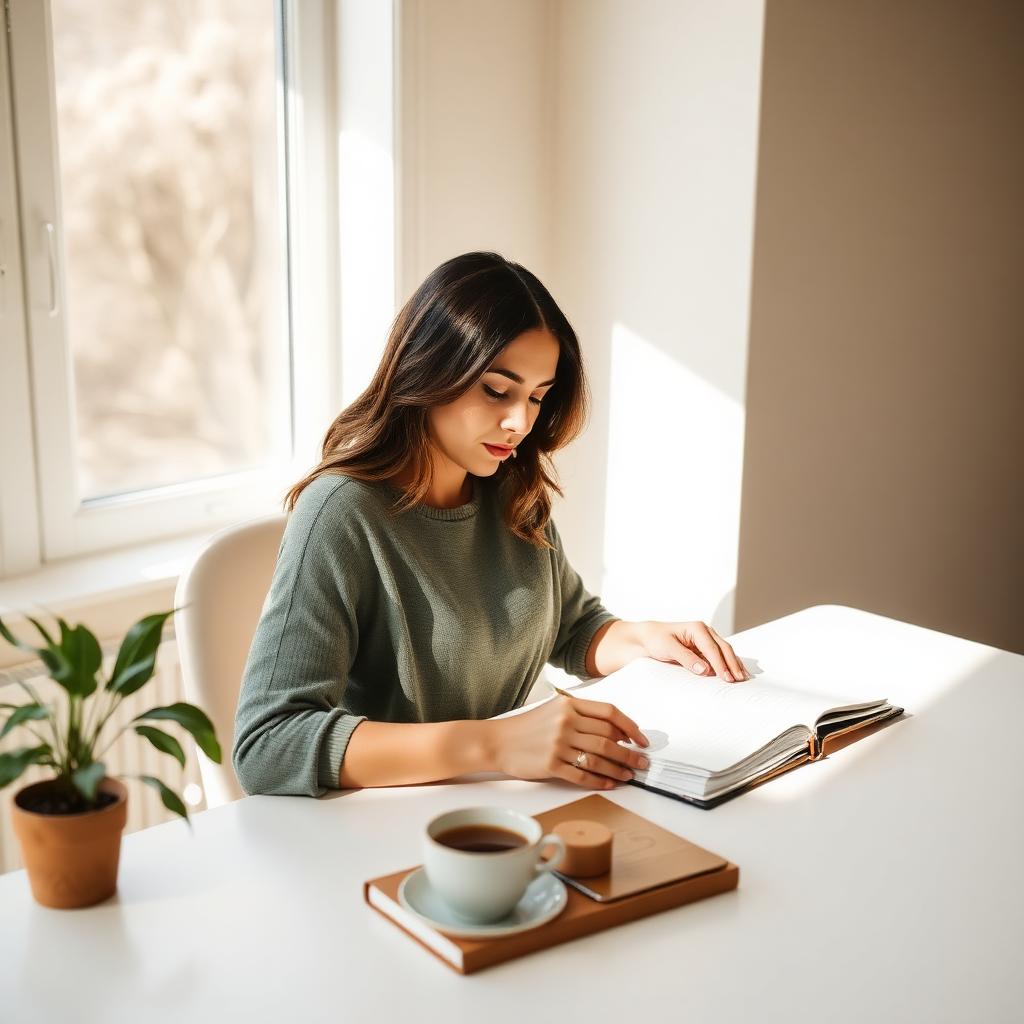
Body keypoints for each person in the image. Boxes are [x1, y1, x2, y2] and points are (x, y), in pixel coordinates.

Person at [232, 251, 746, 797]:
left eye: (537, 398)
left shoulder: (514, 491)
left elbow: (570, 628)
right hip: (386, 826)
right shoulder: (341, 514)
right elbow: (268, 743)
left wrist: (643, 638)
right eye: (498, 390)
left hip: (500, 812)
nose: (521, 422)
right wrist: (495, 745)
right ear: (428, 369)